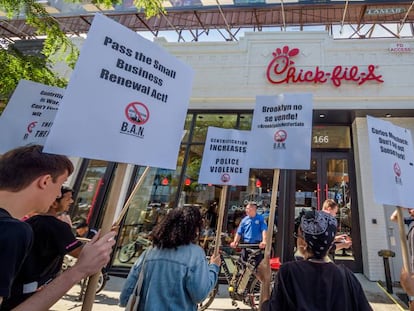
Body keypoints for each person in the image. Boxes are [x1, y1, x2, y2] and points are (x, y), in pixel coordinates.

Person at [0, 144, 116, 311]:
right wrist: (79, 270)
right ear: (45, 181)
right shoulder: (11, 231)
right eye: (60, 185)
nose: (57, 194)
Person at [257, 210, 372, 311]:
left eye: (297, 235)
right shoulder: (347, 277)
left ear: (304, 242)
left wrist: (265, 282)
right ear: (331, 243)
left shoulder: (288, 273)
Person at [119, 205, 221, 310]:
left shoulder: (149, 253)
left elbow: (125, 296)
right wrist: (213, 267)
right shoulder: (194, 254)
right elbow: (200, 294)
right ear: (194, 229)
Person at [1, 186, 85, 309]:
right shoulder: (58, 227)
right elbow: (80, 253)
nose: (72, 202)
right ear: (54, 203)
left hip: (16, 286)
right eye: (68, 199)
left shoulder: (30, 222)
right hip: (33, 289)